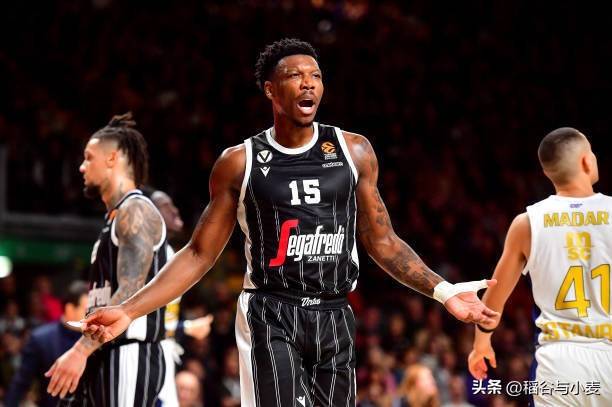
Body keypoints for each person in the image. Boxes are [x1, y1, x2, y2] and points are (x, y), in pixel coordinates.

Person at [83, 38, 498, 406]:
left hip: (334, 312)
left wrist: (443, 291)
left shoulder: (353, 151)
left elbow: (383, 241)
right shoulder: (239, 162)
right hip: (271, 311)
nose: (308, 84)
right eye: (295, 76)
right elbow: (198, 254)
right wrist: (130, 310)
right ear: (270, 89)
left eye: (315, 76)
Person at [468, 128, 612, 406]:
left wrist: (480, 345)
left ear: (547, 173)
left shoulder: (527, 223)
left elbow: (493, 301)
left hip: (560, 362)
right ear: (586, 161)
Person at [45, 113, 169, 405]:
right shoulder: (114, 218)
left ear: (112, 158)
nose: (82, 166)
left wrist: (79, 351)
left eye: (89, 158)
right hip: (104, 351)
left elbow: (130, 290)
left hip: (129, 351)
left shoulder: (136, 210)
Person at [147, 188, 214, 407]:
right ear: (150, 214)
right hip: (147, 350)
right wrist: (187, 327)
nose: (175, 210)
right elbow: (144, 320)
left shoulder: (167, 252)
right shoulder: (150, 254)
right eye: (166, 206)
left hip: (163, 347)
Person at [5, 281, 88, 407]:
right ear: (70, 309)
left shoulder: (98, 337)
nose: (93, 315)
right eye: (87, 310)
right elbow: (21, 382)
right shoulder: (41, 338)